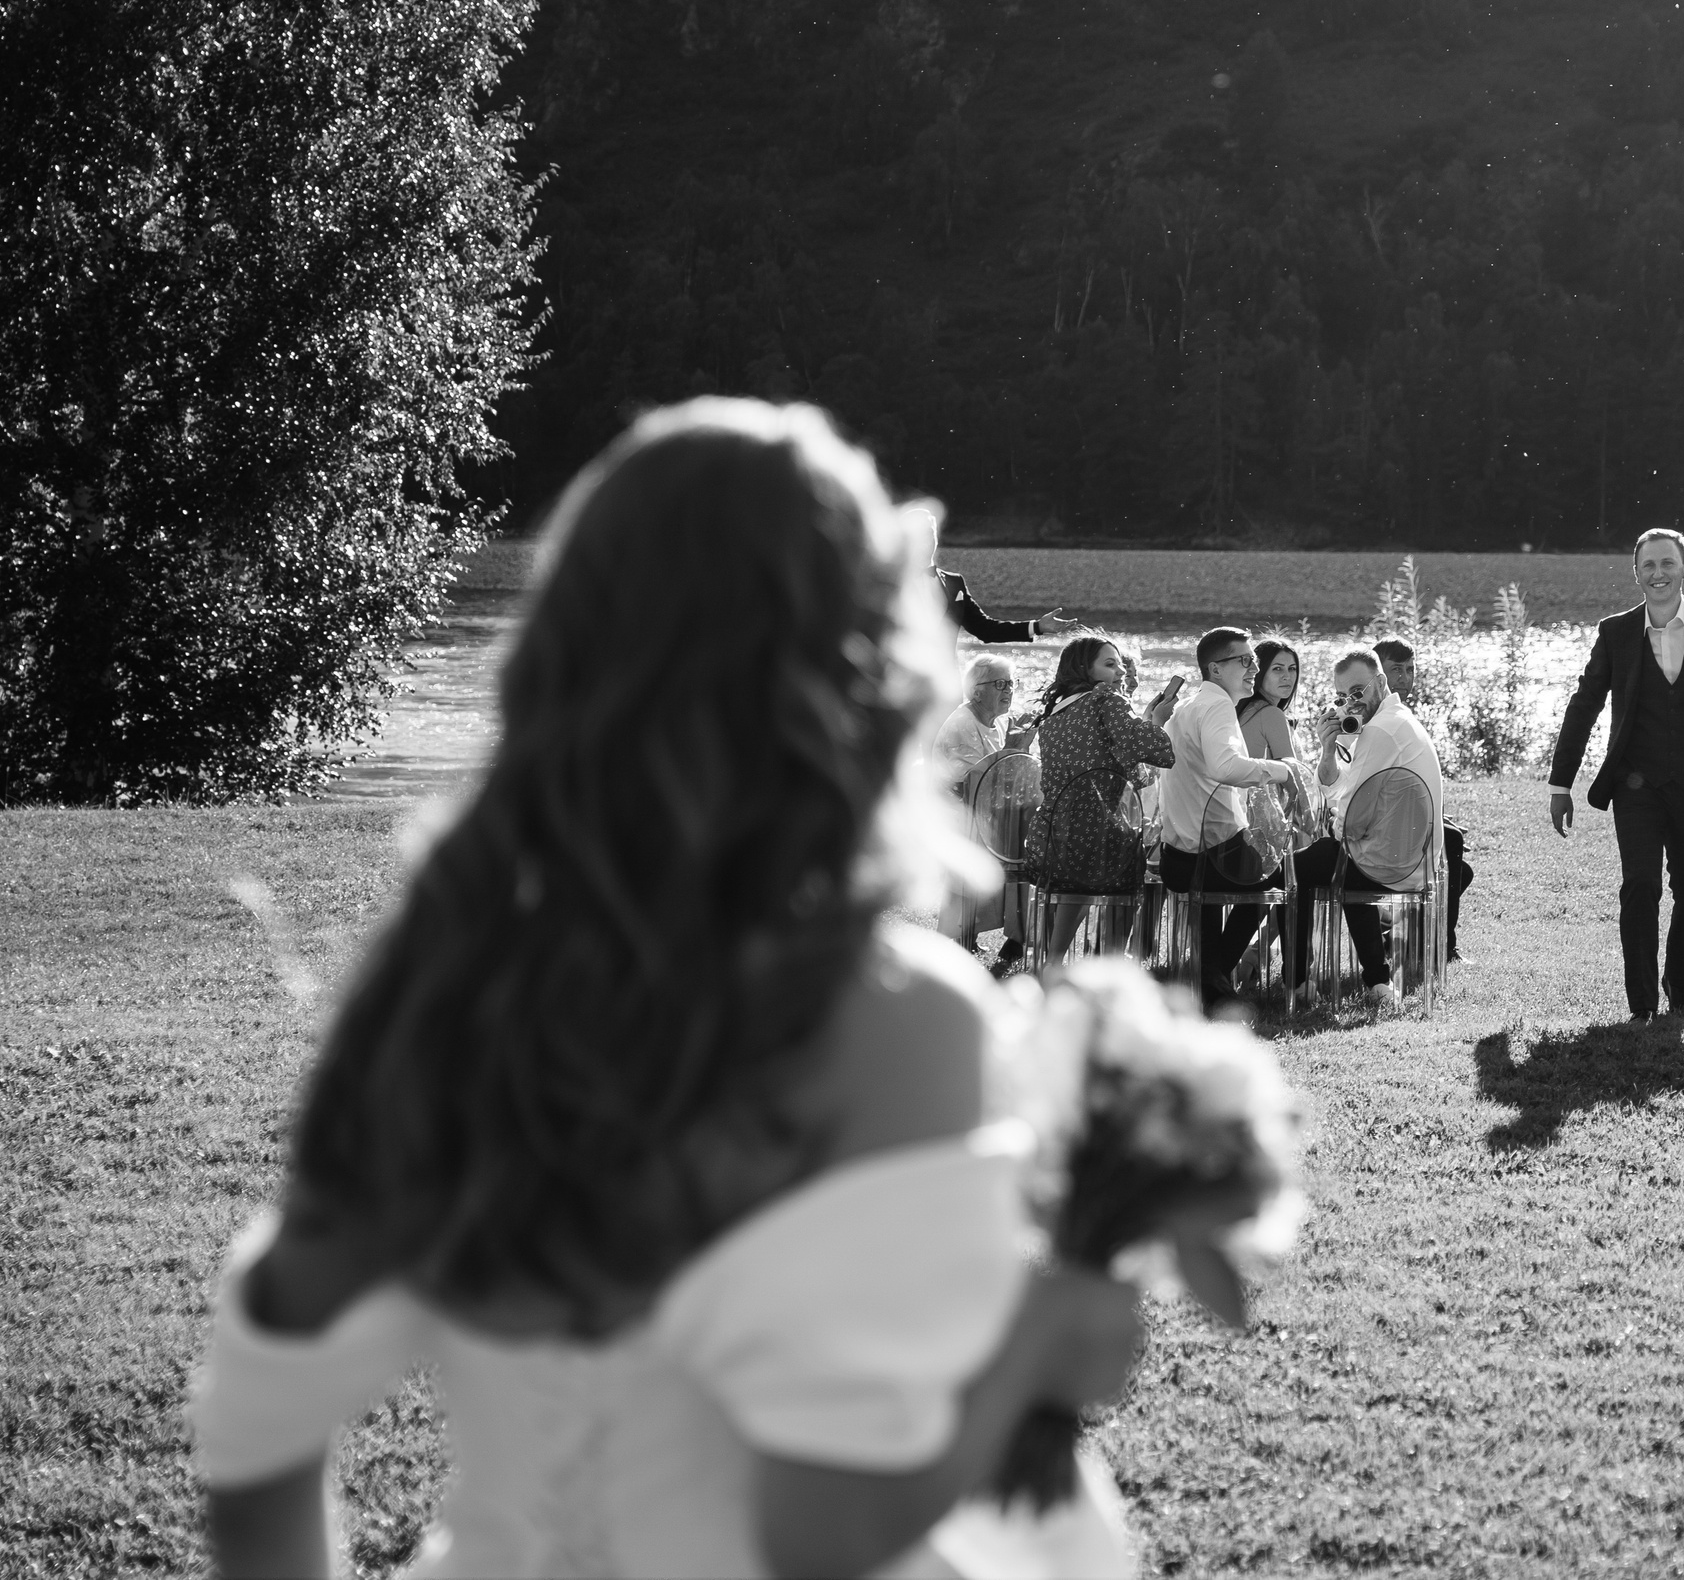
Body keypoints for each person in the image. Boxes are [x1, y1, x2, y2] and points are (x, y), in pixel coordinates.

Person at [192, 399, 1144, 1579]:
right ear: (866, 668)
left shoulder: (448, 986)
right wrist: (1044, 1343)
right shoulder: (895, 1019)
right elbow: (825, 1534)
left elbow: (265, 1391)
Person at [1546, 527, 1684, 1021]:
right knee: (1639, 885)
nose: (1658, 573)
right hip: (1635, 784)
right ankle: (1642, 1001)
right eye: (1648, 565)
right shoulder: (1616, 632)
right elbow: (1583, 708)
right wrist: (1561, 784)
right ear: (1636, 574)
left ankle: (1678, 983)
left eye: (1668, 564)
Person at [1293, 651, 1445, 1017]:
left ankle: (1296, 981)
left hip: (1392, 863)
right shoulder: (1397, 719)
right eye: (1343, 697)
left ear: (1380, 683)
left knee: (1294, 871)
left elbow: (1350, 820)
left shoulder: (1380, 731)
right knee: (1338, 860)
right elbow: (1349, 796)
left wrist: (1336, 823)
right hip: (1417, 861)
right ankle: (1377, 980)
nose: (1352, 703)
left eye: (1358, 691)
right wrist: (1329, 750)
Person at [1159, 626, 1300, 1003]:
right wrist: (1282, 771)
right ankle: (1221, 975)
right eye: (1244, 660)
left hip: (1178, 857)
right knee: (1282, 878)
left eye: (1253, 659)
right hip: (1213, 858)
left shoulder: (1188, 706)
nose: (1254, 667)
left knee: (1246, 873)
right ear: (1216, 669)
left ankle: (1211, 982)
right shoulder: (1217, 704)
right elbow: (1225, 767)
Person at [1032, 638, 1180, 960]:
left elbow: (1128, 767)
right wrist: (1157, 721)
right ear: (1085, 668)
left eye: (1120, 664)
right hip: (1098, 831)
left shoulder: (1055, 712)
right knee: (1141, 859)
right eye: (1110, 664)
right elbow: (1148, 750)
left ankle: (1054, 960)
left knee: (1077, 888)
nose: (1120, 671)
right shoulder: (1105, 698)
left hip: (1052, 829)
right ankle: (1113, 962)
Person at [1372, 637, 1476, 962]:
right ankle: (1442, 948)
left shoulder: (1403, 715)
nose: (1404, 679)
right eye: (1395, 670)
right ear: (1378, 675)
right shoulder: (1374, 719)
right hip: (1380, 834)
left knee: (1461, 866)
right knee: (1453, 843)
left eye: (1410, 670)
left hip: (1405, 826)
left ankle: (1410, 940)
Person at [938, 654, 1035, 969]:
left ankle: (1004, 938)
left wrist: (1020, 747)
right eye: (1000, 684)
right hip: (959, 812)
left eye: (1012, 683)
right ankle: (963, 942)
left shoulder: (1001, 720)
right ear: (976, 690)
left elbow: (1003, 772)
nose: (1009, 691)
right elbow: (973, 779)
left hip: (987, 810)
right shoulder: (962, 722)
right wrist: (1015, 751)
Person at [924, 512, 1084, 644]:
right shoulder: (897, 583)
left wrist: (1037, 626)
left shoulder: (954, 582)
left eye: (929, 534)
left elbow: (986, 629)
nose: (926, 541)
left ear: (936, 538)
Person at [1236, 639, 1301, 761]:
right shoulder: (1269, 714)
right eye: (1277, 669)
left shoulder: (1247, 708)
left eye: (1292, 668)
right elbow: (1291, 774)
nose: (1287, 676)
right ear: (1259, 672)